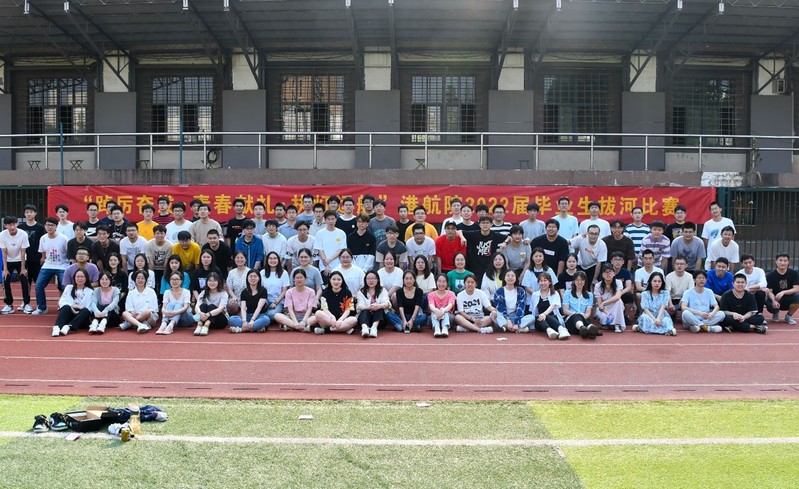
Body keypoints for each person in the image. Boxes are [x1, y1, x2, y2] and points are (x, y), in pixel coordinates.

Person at [33, 217, 70, 315]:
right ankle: (42, 308)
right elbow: (42, 252)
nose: (50, 227)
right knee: (38, 285)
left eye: (52, 225)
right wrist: (43, 259)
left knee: (65, 287)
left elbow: (68, 253)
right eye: (47, 225)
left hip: (62, 266)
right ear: (45, 226)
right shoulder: (43, 238)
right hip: (48, 265)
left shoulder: (63, 238)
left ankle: (66, 306)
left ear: (56, 226)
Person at [458, 216, 507, 281]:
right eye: (483, 223)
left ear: (491, 224)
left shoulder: (495, 235)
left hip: (489, 268)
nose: (485, 225)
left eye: (487, 223)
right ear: (479, 224)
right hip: (475, 267)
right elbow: (459, 231)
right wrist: (462, 237)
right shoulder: (474, 234)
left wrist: (505, 243)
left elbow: (509, 237)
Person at [51, 268, 93, 337]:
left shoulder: (90, 291)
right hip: (70, 314)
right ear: (74, 278)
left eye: (82, 277)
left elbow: (89, 308)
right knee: (66, 307)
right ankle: (57, 327)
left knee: (86, 311)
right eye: (78, 277)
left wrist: (78, 310)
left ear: (86, 278)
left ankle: (69, 327)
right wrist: (74, 306)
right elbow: (62, 301)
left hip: (81, 318)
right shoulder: (69, 287)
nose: (80, 279)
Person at [1, 215, 30, 314]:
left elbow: (23, 252)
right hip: (8, 260)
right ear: (5, 225)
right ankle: (9, 305)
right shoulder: (2, 235)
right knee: (5, 281)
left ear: (17, 223)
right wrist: (5, 269)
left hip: (20, 260)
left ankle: (26, 303)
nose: (12, 227)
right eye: (9, 225)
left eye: (14, 224)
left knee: (24, 280)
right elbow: (4, 253)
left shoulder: (23, 234)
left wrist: (23, 268)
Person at [313, 270, 357, 335]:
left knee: (354, 320)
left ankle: (327, 330)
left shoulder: (347, 292)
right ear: (330, 280)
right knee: (318, 313)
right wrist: (332, 317)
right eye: (334, 279)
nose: (336, 282)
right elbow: (325, 308)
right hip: (329, 318)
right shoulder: (325, 292)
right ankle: (344, 328)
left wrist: (341, 319)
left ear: (342, 281)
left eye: (339, 279)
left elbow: (348, 309)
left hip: (343, 319)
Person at [120, 269, 159, 333]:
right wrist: (132, 312)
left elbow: (153, 309)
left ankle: (130, 323)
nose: (140, 280)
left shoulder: (151, 292)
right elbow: (129, 308)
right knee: (124, 313)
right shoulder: (131, 293)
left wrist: (140, 314)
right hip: (135, 315)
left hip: (148, 317)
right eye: (138, 278)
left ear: (146, 280)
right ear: (135, 280)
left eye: (142, 278)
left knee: (147, 312)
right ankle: (140, 325)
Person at [561, 271, 598, 339]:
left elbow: (588, 312)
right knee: (577, 316)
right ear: (574, 281)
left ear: (585, 281)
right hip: (571, 319)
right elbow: (565, 310)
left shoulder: (589, 295)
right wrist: (578, 314)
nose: (579, 282)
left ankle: (588, 330)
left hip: (584, 318)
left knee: (583, 319)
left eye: (582, 280)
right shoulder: (568, 293)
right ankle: (583, 328)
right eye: (577, 280)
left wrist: (584, 316)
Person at [529, 273, 566, 339]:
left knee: (547, 316)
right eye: (541, 281)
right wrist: (541, 315)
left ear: (550, 282)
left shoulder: (555, 293)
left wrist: (544, 314)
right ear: (538, 282)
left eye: (545, 280)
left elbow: (553, 306)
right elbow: (532, 310)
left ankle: (561, 330)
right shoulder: (535, 295)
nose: (543, 283)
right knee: (538, 317)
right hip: (540, 322)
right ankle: (549, 331)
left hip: (554, 320)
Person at [765, 252, 799, 324]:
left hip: (789, 298)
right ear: (776, 261)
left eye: (785, 261)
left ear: (788, 262)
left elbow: (796, 288)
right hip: (776, 299)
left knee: (798, 297)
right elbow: (769, 291)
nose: (782, 263)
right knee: (768, 302)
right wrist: (773, 301)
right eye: (780, 260)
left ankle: (789, 316)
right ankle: (775, 312)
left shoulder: (794, 273)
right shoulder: (770, 275)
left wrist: (783, 292)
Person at [157, 271, 194, 335]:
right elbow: (163, 307)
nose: (174, 281)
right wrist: (165, 312)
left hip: (186, 319)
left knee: (178, 305)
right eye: (172, 279)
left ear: (181, 281)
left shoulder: (186, 292)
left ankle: (170, 326)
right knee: (170, 304)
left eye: (177, 279)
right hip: (173, 319)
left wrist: (175, 312)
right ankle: (164, 324)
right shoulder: (167, 292)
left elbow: (186, 307)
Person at [356, 270, 391, 338]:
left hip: (380, 321)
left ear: (377, 280)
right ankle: (364, 328)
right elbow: (359, 305)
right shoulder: (361, 291)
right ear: (365, 280)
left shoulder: (382, 290)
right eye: (368, 278)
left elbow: (387, 303)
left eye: (373, 278)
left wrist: (379, 306)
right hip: (364, 319)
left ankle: (374, 328)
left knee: (379, 309)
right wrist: (369, 307)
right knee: (364, 310)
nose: (371, 280)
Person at [19, 204, 45, 291]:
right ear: (24, 214)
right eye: (27, 212)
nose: (29, 214)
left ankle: (39, 299)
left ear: (35, 213)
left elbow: (43, 243)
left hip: (37, 258)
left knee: (38, 282)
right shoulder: (20, 227)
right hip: (24, 258)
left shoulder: (40, 227)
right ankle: (26, 299)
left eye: (31, 212)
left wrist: (43, 256)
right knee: (26, 282)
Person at [193, 271, 228, 335]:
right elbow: (197, 306)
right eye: (210, 281)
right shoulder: (203, 293)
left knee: (212, 306)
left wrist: (208, 314)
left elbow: (220, 309)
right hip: (204, 319)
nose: (212, 283)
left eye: (214, 281)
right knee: (203, 305)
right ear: (207, 282)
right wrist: (200, 314)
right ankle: (199, 325)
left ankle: (206, 326)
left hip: (219, 321)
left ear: (218, 282)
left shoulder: (223, 293)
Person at [314, 210, 348, 278]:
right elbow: (320, 249)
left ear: (336, 219)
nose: (331, 221)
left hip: (338, 265)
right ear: (325, 219)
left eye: (333, 219)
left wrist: (329, 260)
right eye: (328, 219)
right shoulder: (320, 233)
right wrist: (326, 263)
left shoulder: (341, 233)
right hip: (324, 266)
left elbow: (341, 249)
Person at [259, 251, 290, 324]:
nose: (272, 260)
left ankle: (263, 318)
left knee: (271, 315)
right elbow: (260, 289)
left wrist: (275, 303)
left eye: (275, 258)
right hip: (265, 301)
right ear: (267, 260)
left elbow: (284, 291)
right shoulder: (262, 272)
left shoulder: (284, 273)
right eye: (270, 258)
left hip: (278, 302)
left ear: (278, 260)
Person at [594, 263, 626, 333]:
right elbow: (600, 305)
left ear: (614, 273)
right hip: (604, 309)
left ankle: (617, 324)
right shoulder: (598, 286)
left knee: (619, 301)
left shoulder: (618, 282)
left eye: (610, 272)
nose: (608, 274)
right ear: (602, 275)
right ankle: (608, 323)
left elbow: (617, 297)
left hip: (615, 306)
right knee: (605, 320)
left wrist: (604, 302)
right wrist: (607, 312)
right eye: (605, 272)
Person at [493, 269, 527, 333]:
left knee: (532, 317)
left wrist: (516, 322)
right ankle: (515, 328)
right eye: (508, 275)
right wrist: (507, 320)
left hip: (515, 316)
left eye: (512, 276)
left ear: (516, 278)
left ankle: (508, 328)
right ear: (504, 278)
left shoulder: (521, 291)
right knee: (493, 314)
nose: (510, 278)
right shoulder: (499, 292)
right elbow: (500, 308)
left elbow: (521, 308)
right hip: (503, 318)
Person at [146, 225, 173, 294]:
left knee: (163, 286)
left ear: (165, 234)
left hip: (164, 268)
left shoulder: (170, 245)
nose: (159, 235)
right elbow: (150, 261)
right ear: (154, 234)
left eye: (162, 233)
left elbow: (167, 261)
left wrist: (164, 277)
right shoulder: (149, 244)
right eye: (157, 233)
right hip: (153, 267)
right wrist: (152, 276)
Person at [428, 273, 456, 337]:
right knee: (434, 311)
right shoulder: (431, 294)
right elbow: (431, 305)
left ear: (447, 283)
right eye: (439, 281)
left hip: (449, 318)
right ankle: (437, 329)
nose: (441, 284)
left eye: (443, 282)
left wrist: (443, 311)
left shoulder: (451, 294)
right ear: (436, 282)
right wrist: (436, 311)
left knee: (444, 311)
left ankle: (445, 329)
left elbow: (450, 305)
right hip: (434, 317)